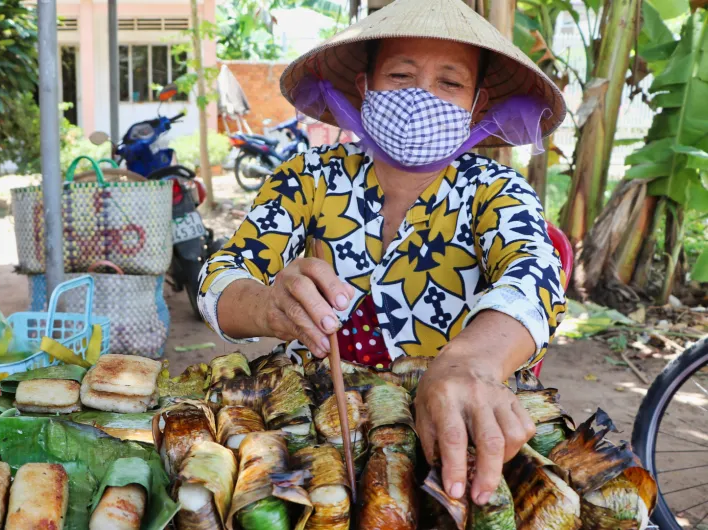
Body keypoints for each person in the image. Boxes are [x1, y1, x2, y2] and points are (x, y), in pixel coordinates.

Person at [198, 0, 568, 507]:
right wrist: (265, 305)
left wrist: (469, 364)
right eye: (400, 74)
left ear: (478, 104)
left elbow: (536, 278)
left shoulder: (496, 189)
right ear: (365, 86)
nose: (422, 97)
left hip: (446, 432)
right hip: (311, 426)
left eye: (450, 83)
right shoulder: (307, 176)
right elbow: (220, 277)